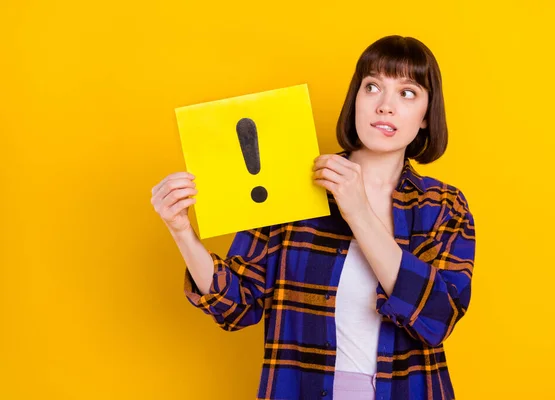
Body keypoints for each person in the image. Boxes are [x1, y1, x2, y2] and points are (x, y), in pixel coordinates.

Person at [151, 35, 476, 400]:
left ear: (425, 118)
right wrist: (182, 232)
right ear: (356, 100)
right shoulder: (294, 188)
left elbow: (438, 318)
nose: (385, 105)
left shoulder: (444, 207)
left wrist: (358, 211)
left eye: (407, 93)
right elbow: (236, 306)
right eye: (372, 87)